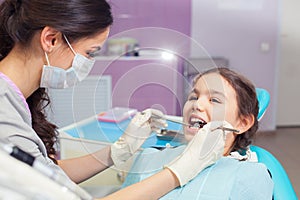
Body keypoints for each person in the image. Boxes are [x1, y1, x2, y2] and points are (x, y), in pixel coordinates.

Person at [0, 1, 228, 199]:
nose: (198, 105)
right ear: (51, 39)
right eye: (90, 53)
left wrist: (117, 152)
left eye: (215, 100)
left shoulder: (15, 96)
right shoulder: (4, 110)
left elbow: (45, 174)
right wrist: (178, 172)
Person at [122, 67, 274, 199]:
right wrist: (119, 150)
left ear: (243, 123)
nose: (196, 104)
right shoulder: (148, 158)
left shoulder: (249, 176)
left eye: (214, 100)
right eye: (193, 97)